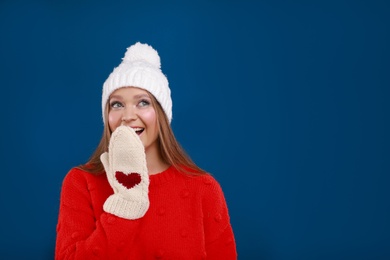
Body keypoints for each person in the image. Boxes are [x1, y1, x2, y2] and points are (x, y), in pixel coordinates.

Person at [55, 42, 237, 259]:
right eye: (117, 104)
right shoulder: (81, 183)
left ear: (161, 114)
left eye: (142, 102)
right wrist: (127, 202)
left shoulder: (204, 188)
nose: (128, 115)